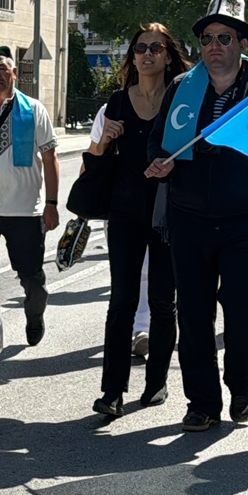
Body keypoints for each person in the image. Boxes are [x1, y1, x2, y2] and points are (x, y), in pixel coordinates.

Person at [145, 0, 248, 432]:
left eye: (225, 37)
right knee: (192, 314)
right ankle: (202, 402)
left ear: (242, 43)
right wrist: (159, 160)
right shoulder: (181, 88)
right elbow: (158, 141)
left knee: (245, 309)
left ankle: (242, 388)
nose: (215, 45)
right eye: (208, 37)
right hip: (188, 218)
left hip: (244, 219)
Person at [90, 23, 191, 417]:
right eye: (140, 48)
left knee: (163, 302)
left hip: (169, 213)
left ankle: (156, 383)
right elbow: (94, 162)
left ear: (168, 56)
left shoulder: (181, 102)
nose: (147, 54)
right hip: (125, 210)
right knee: (122, 301)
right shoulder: (114, 103)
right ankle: (112, 391)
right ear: (132, 57)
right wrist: (105, 139)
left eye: (155, 48)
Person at [0, 47, 59, 346]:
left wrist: (52, 204)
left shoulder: (34, 109)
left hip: (25, 211)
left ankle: (35, 313)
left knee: (32, 278)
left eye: (2, 68)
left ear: (14, 72)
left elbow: (50, 157)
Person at [89, 106, 149, 358]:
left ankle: (143, 328)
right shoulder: (111, 109)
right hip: (120, 205)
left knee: (151, 271)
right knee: (126, 273)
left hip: (164, 203)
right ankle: (136, 330)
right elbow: (93, 155)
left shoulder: (175, 101)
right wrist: (105, 139)